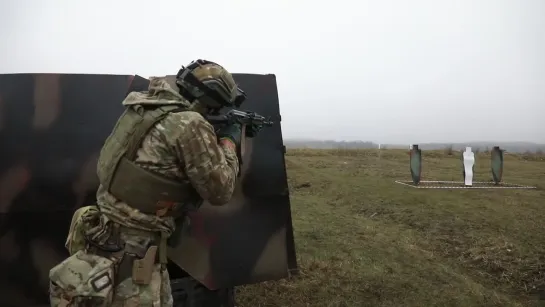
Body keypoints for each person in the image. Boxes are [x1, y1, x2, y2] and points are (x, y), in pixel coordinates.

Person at [49, 59, 246, 306]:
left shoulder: (143, 106)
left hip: (101, 235)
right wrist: (229, 141)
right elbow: (221, 190)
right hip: (137, 252)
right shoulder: (189, 124)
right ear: (211, 100)